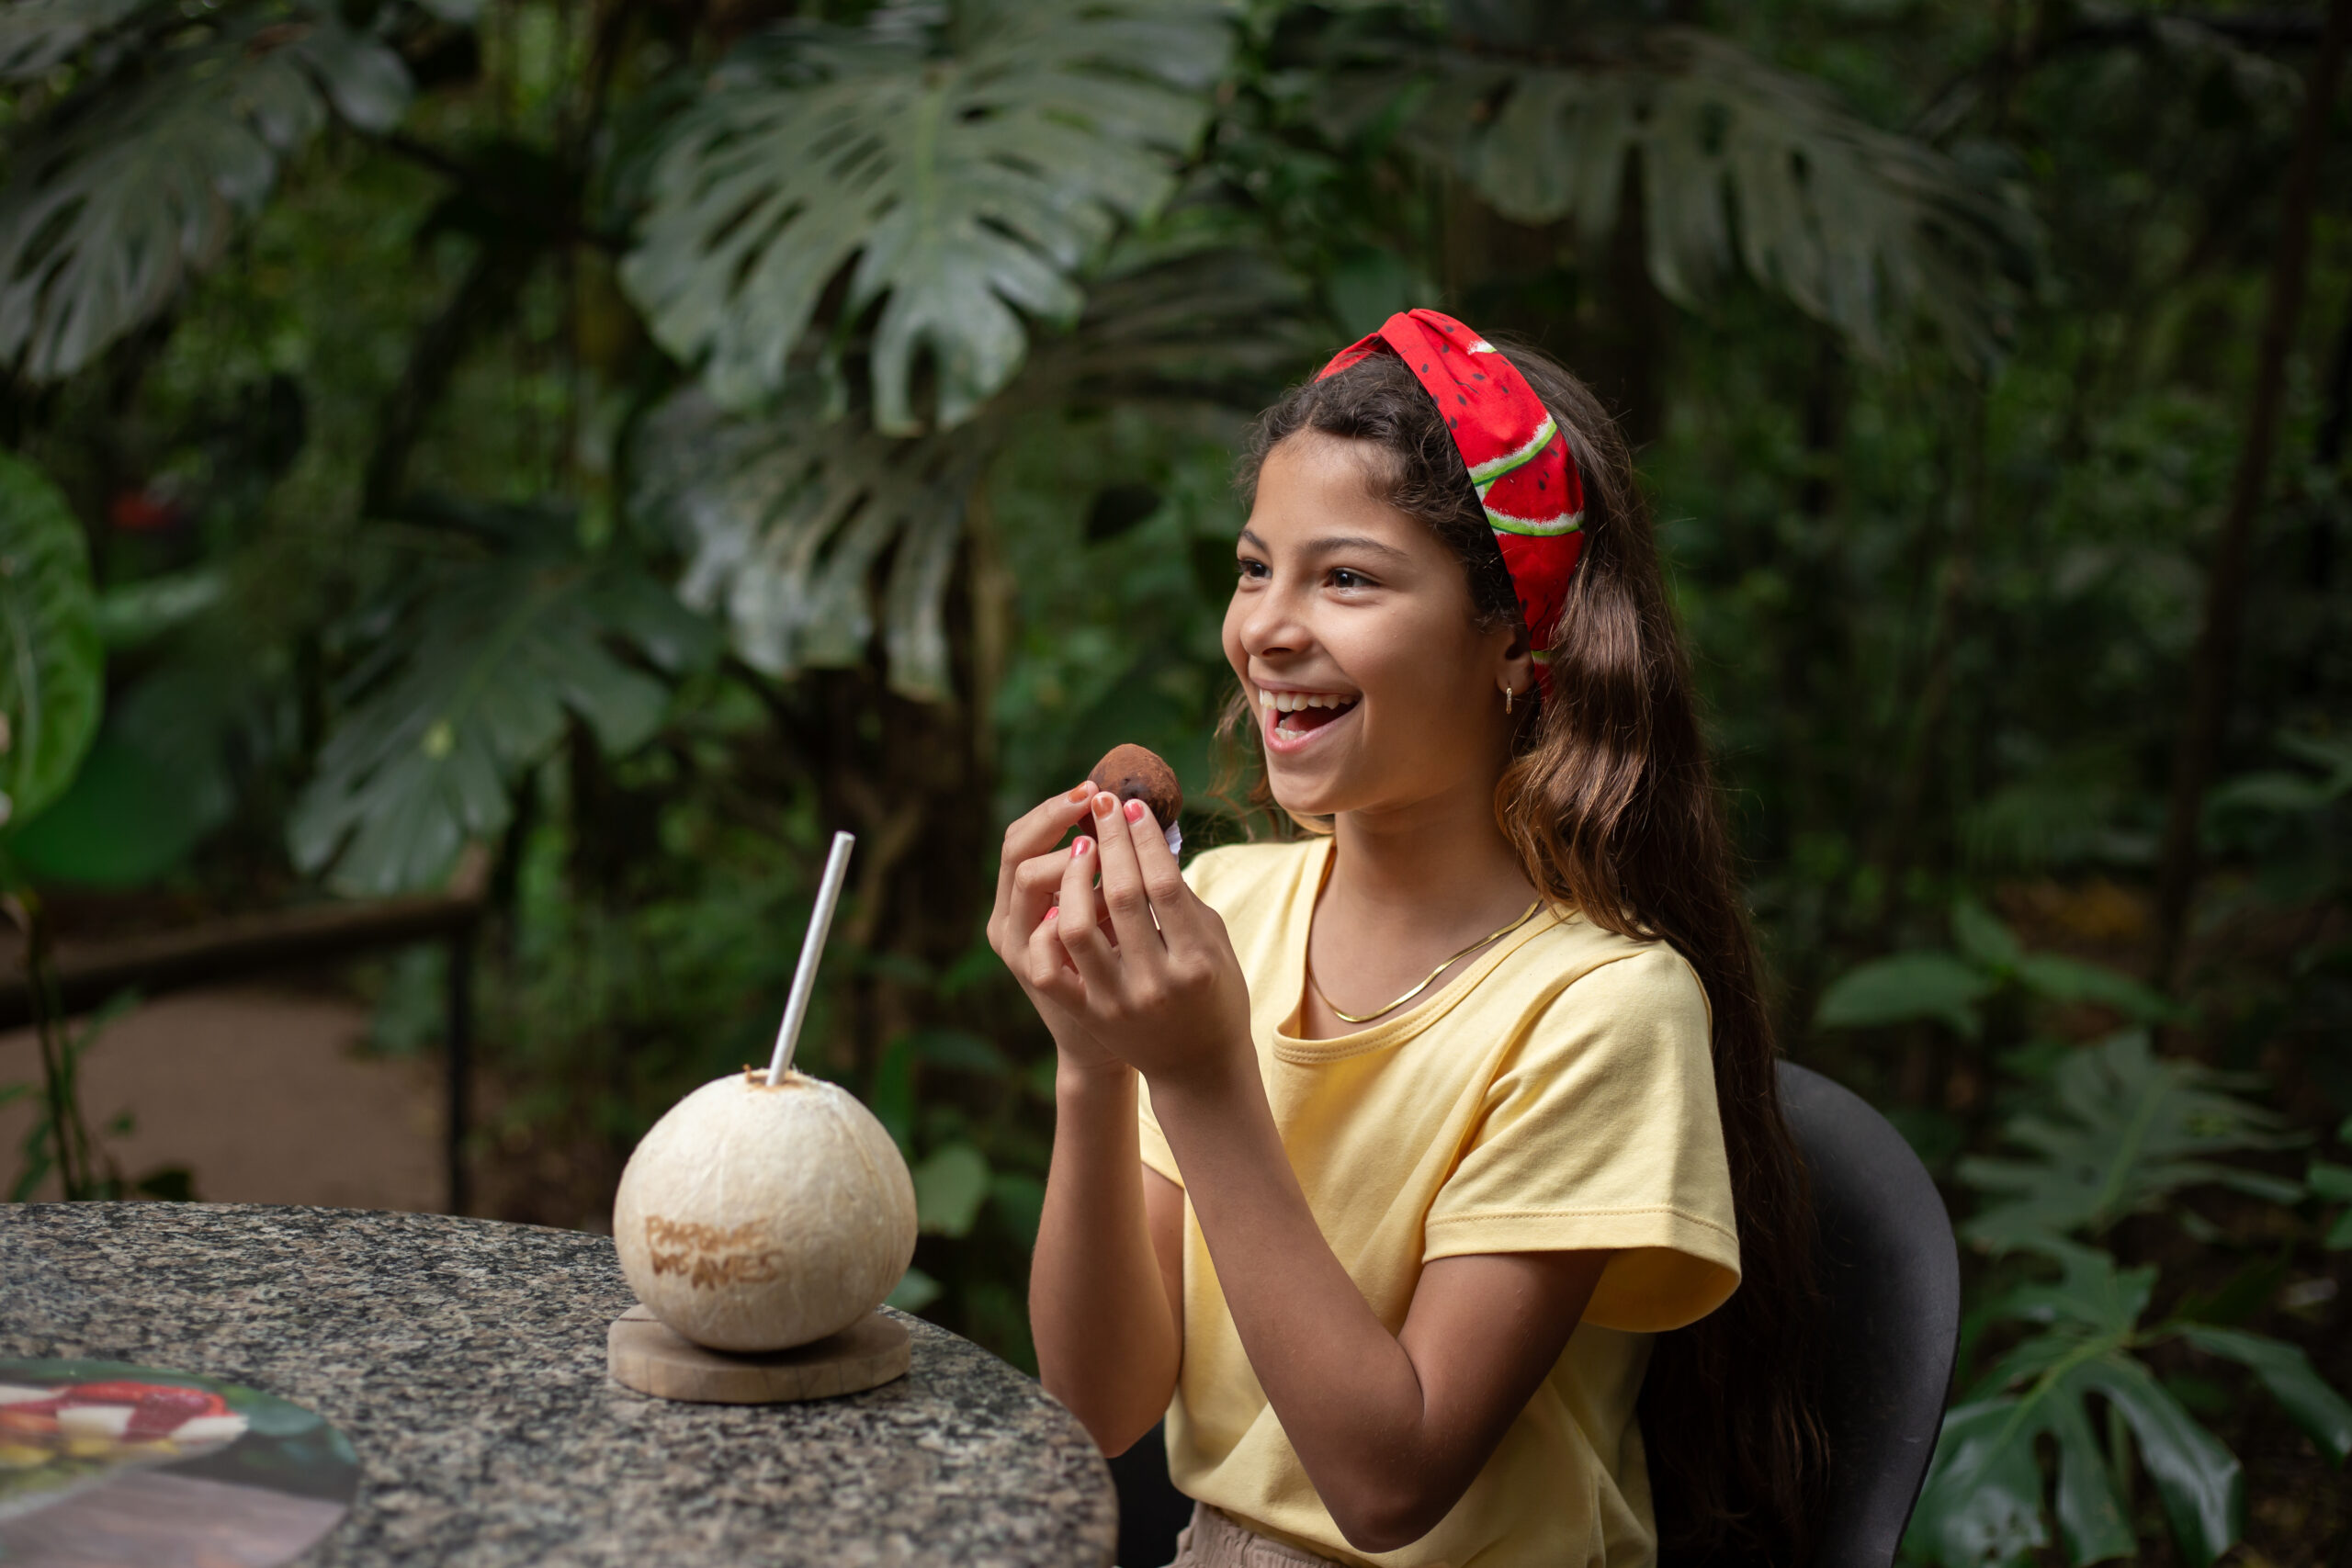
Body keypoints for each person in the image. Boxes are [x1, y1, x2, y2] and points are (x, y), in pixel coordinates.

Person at [989, 310, 1824, 1568]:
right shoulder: (1236, 910)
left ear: (1512, 636)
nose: (1267, 627)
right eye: (1254, 566)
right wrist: (1094, 1060)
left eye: (1348, 578)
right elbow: (1099, 1405)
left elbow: (1389, 1484)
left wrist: (1206, 1075)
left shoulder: (1604, 1008)